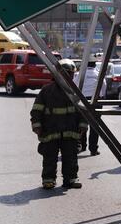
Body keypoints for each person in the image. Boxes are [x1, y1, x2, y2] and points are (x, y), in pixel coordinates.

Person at [31, 59, 86, 190]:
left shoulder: (75, 92)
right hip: (50, 131)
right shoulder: (46, 91)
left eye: (70, 74)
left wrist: (83, 125)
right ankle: (48, 179)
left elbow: (83, 111)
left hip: (70, 131)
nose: (68, 77)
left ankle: (71, 179)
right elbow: (36, 110)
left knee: (71, 157)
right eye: (66, 74)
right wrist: (37, 126)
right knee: (49, 157)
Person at [74, 59, 105, 155]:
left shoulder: (80, 74)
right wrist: (101, 97)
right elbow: (103, 87)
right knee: (95, 126)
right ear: (95, 65)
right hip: (96, 100)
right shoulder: (98, 74)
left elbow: (74, 85)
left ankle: (82, 146)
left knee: (81, 123)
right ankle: (93, 149)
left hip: (82, 100)